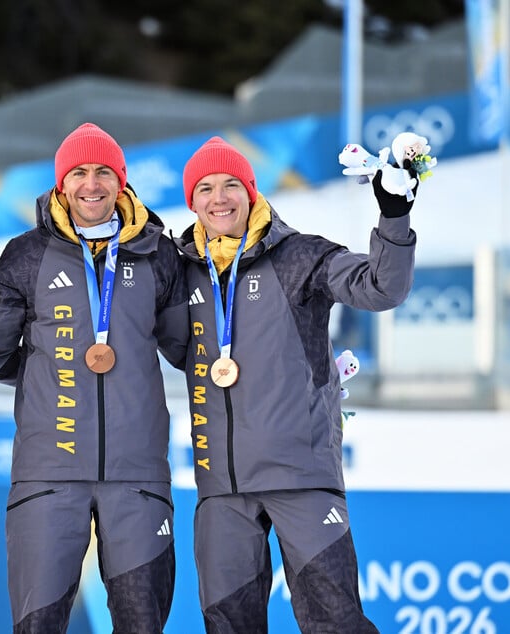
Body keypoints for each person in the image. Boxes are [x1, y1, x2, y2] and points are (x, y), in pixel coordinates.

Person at [175, 136, 418, 633]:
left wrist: (394, 216)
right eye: (205, 188)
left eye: (230, 186)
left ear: (251, 191)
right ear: (191, 201)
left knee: (335, 622)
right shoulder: (181, 271)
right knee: (228, 625)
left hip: (301, 477)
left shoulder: (299, 256)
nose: (218, 198)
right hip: (221, 488)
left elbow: (381, 287)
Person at [0, 123, 189, 633]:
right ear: (60, 184)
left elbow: (193, 350)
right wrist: (44, 375)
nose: (91, 184)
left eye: (103, 173)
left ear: (121, 183)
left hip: (137, 475)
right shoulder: (26, 255)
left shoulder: (158, 252)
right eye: (79, 173)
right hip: (48, 474)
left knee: (142, 623)